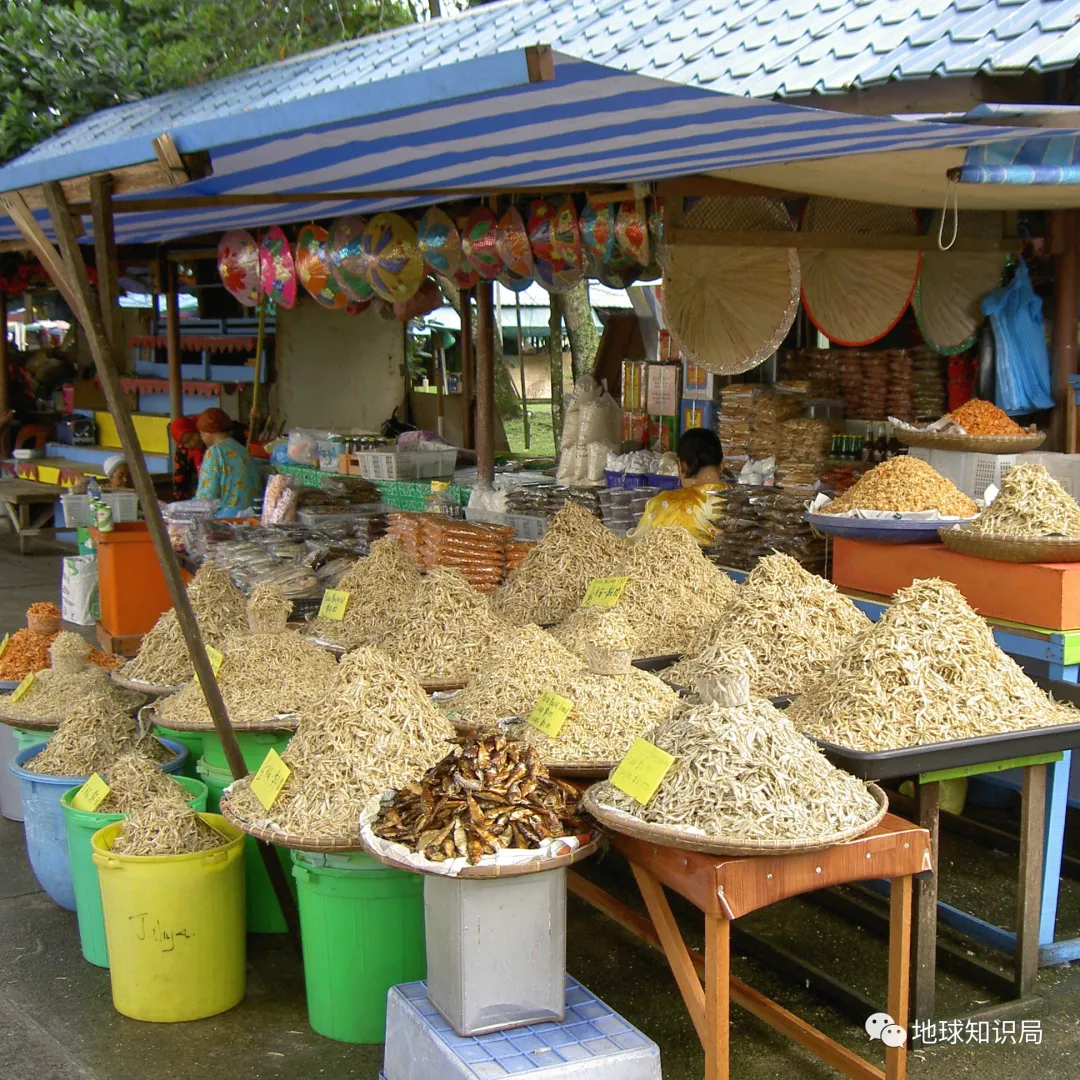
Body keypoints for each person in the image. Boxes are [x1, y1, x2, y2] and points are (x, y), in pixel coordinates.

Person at [628, 428, 729, 545]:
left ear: (680, 465)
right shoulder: (739, 503)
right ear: (722, 463)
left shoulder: (660, 506)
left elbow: (636, 547)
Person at [194, 407, 260, 515]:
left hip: (228, 518)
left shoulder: (215, 452)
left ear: (206, 433)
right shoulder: (241, 449)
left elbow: (206, 499)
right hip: (252, 515)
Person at [170, 416, 205, 500]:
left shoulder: (214, 445)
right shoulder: (183, 451)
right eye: (186, 442)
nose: (192, 443)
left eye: (191, 437)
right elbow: (181, 479)